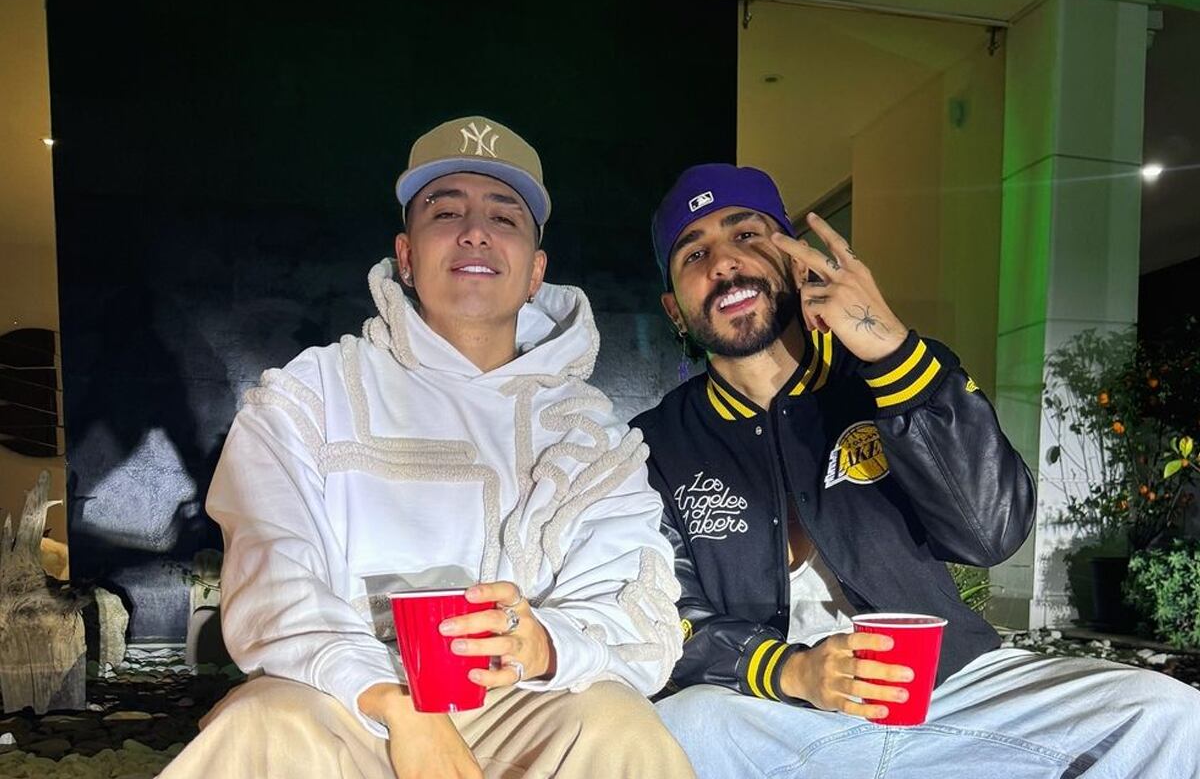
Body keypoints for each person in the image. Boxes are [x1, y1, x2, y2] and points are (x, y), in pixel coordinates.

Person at [160, 116, 695, 779]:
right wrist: (394, 702)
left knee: (617, 726)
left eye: (504, 217)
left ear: (535, 272)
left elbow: (634, 602)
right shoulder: (311, 396)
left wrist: (543, 644)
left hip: (520, 702)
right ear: (406, 257)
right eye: (445, 212)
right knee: (262, 724)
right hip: (347, 696)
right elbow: (273, 575)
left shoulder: (589, 435)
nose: (475, 231)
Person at [632, 163, 1200, 778]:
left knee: (1165, 714)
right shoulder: (655, 445)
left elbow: (991, 534)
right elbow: (661, 614)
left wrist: (891, 352)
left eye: (746, 235)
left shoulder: (896, 373)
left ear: (797, 263)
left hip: (949, 689)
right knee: (678, 725)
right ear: (674, 309)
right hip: (771, 711)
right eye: (694, 254)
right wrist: (791, 669)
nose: (723, 262)